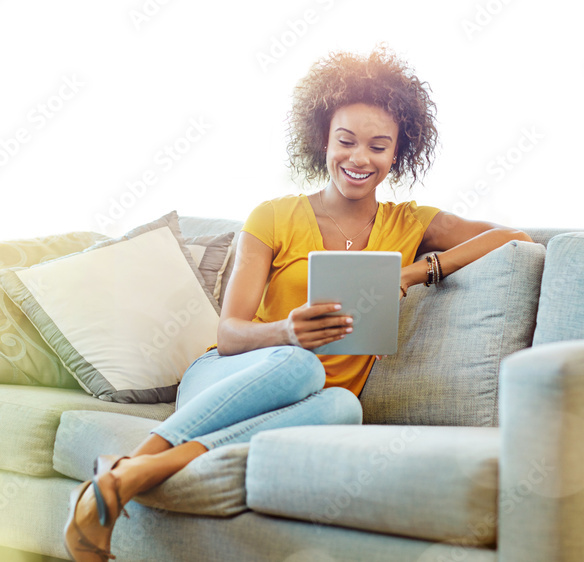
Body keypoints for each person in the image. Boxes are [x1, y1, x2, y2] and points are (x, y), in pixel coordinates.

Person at [63, 44, 532, 562]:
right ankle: (138, 458)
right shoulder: (272, 217)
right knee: (299, 364)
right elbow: (229, 334)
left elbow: (515, 237)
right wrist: (286, 332)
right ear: (322, 142)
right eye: (346, 141)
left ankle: (134, 473)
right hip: (232, 375)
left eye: (378, 147)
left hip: (310, 401)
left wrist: (418, 271)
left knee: (345, 405)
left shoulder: (409, 225)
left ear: (397, 154)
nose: (359, 159)